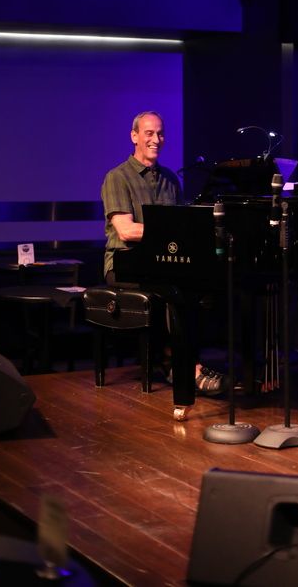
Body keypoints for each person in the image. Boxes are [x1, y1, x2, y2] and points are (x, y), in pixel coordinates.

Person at [101, 111, 226, 418]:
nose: (156, 140)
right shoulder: (117, 177)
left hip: (160, 263)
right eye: (148, 133)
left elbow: (181, 230)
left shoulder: (170, 180)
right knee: (175, 291)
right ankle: (184, 368)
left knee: (206, 287)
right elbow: (127, 231)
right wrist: (171, 234)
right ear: (134, 136)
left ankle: (183, 363)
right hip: (123, 264)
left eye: (160, 134)